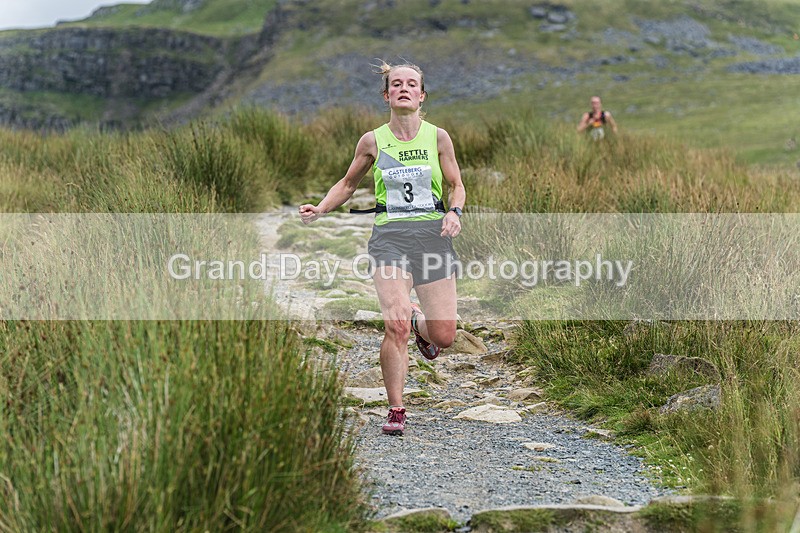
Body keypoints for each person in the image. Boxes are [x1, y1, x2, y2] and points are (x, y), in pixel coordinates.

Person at [299, 61, 466, 436]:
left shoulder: (438, 137)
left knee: (444, 336)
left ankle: (417, 322)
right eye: (396, 84)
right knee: (393, 325)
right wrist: (322, 208)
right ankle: (396, 408)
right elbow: (347, 183)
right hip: (390, 238)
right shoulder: (372, 141)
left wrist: (454, 212)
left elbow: (457, 184)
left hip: (432, 236)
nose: (403, 89)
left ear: (421, 95)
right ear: (387, 94)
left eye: (411, 84)